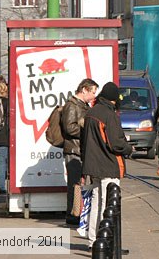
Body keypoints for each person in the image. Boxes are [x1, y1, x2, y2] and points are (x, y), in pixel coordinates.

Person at [81, 82, 132, 247]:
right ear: (114, 99)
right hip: (108, 165)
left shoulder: (90, 113)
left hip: (93, 165)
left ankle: (93, 240)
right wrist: (129, 148)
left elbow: (84, 142)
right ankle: (106, 242)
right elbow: (116, 143)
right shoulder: (109, 115)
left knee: (96, 202)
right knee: (108, 203)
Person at [61, 78, 98, 226]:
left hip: (80, 149)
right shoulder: (72, 105)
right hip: (74, 150)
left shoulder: (83, 105)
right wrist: (87, 130)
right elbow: (69, 128)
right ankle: (73, 215)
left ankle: (78, 213)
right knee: (75, 184)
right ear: (84, 90)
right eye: (93, 92)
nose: (94, 96)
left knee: (79, 184)